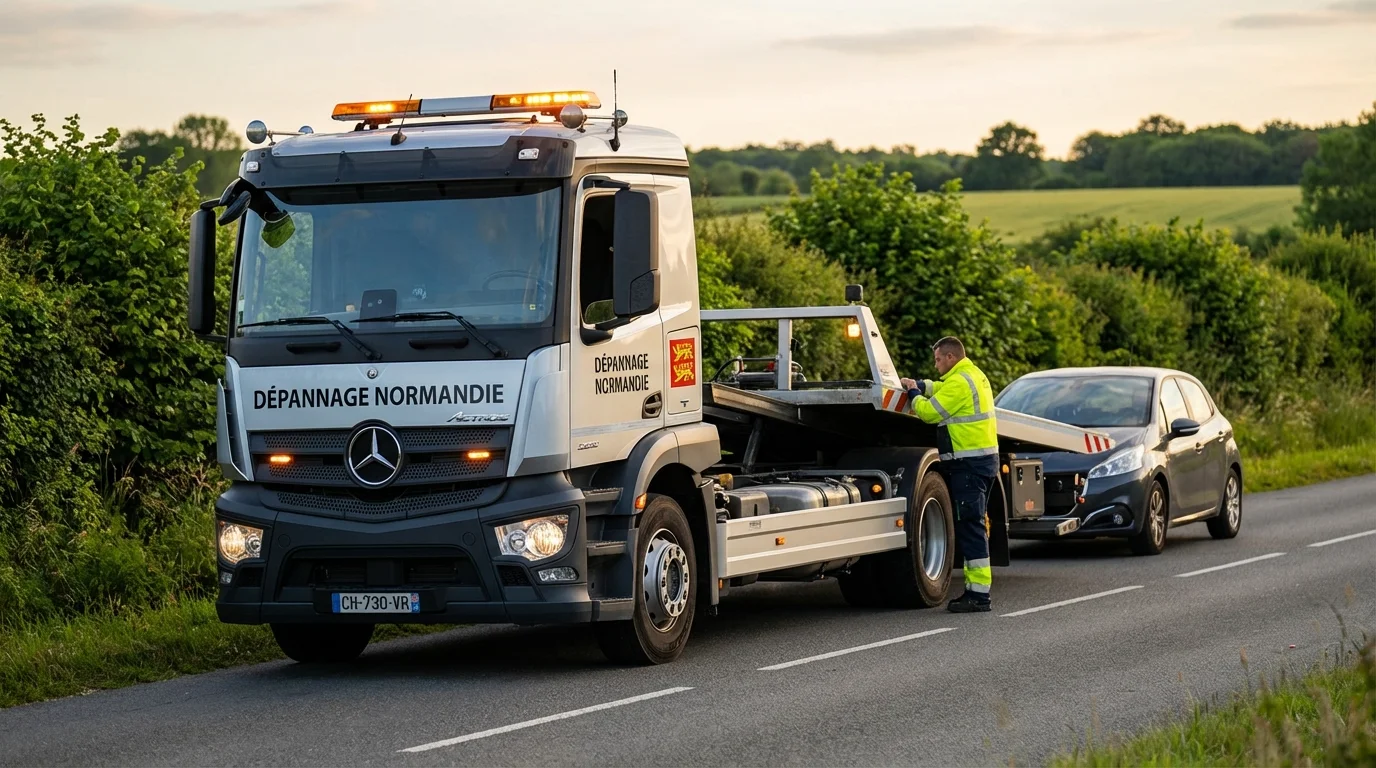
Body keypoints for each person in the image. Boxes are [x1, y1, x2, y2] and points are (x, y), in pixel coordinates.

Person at [901, 336, 999, 613]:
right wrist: (921, 385)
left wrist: (914, 396)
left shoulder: (958, 382)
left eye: (938, 360)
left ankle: (978, 595)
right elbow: (941, 387)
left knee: (970, 528)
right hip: (981, 463)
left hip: (968, 465)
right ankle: (976, 591)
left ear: (951, 358)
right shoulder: (972, 375)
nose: (936, 365)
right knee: (975, 525)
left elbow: (930, 413)